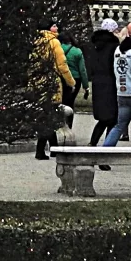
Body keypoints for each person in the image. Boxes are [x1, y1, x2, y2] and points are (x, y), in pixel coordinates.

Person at [35, 23, 76, 160]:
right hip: (51, 83)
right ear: (48, 28)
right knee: (50, 116)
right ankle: (41, 150)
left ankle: (53, 147)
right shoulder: (54, 42)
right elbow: (62, 64)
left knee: (47, 114)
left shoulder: (36, 41)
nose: (57, 28)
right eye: (54, 26)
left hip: (37, 82)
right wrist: (71, 82)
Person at [85, 19, 120, 148]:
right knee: (112, 118)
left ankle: (93, 144)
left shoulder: (94, 45)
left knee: (104, 118)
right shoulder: (114, 46)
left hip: (98, 83)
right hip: (111, 83)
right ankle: (106, 148)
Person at [61, 32, 88, 106]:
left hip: (62, 78)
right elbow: (82, 70)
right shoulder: (77, 51)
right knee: (70, 102)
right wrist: (86, 86)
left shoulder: (58, 49)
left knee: (62, 101)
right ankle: (69, 117)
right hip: (75, 78)